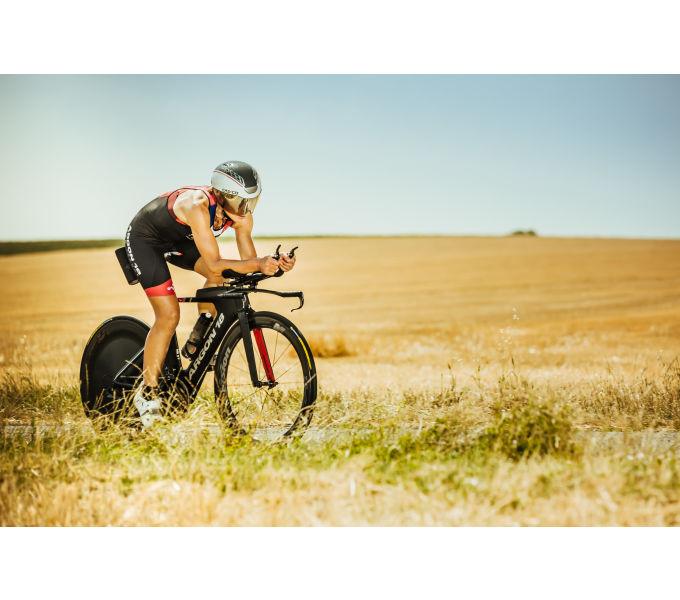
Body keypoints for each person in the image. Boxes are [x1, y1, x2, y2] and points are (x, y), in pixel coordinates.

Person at [124, 160, 296, 427]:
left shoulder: (241, 216)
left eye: (252, 202)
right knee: (169, 315)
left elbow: (246, 264)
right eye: (243, 202)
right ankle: (147, 394)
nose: (247, 209)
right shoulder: (197, 205)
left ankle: (201, 332)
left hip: (182, 240)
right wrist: (258, 263)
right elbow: (215, 263)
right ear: (224, 195)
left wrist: (275, 265)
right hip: (146, 240)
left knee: (224, 276)